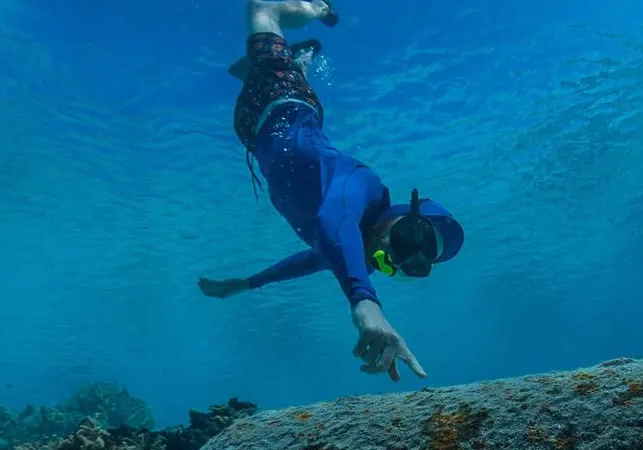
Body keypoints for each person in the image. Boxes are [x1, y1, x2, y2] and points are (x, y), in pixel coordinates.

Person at [199, 0, 466, 383]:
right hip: (284, 98)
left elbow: (313, 259)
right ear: (404, 214)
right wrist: (365, 303)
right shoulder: (365, 186)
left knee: (271, 78)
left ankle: (302, 58)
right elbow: (331, 220)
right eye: (408, 238)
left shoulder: (347, 245)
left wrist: (246, 284)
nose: (394, 252)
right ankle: (317, 9)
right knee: (262, 7)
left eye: (409, 263)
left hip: (252, 131)